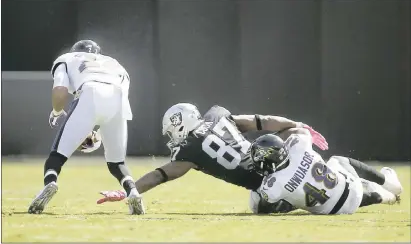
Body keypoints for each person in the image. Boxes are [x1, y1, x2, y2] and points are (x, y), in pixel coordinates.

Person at [96, 103, 328, 214]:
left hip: (271, 189)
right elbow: (262, 120)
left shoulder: (190, 151)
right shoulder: (217, 116)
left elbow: (161, 175)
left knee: (257, 204)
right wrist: (297, 126)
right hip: (284, 163)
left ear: (180, 124)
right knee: (286, 136)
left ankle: (301, 195)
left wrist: (127, 190)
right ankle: (319, 171)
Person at [28, 40, 144, 215]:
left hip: (90, 92)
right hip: (119, 101)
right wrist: (96, 131)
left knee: (57, 156)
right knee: (117, 162)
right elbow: (116, 99)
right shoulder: (115, 63)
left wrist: (57, 111)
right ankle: (132, 191)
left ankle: (50, 183)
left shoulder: (67, 58)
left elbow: (60, 90)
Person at [250, 131, 402, 215]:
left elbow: (261, 209)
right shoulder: (298, 146)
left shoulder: (272, 186)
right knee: (336, 161)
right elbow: (302, 132)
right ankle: (389, 183)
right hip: (349, 187)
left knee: (326, 196)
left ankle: (382, 196)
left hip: (334, 211)